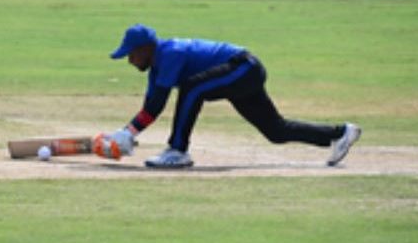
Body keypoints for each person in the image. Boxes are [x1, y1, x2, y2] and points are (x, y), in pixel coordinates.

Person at [95, 24, 361, 169]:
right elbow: (152, 108)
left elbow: (162, 100)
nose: (129, 60)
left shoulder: (170, 52)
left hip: (244, 68)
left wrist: (128, 134)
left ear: (146, 48)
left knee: (192, 88)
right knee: (276, 131)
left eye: (131, 54)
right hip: (240, 75)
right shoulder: (155, 68)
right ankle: (338, 134)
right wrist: (126, 133)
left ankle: (177, 151)